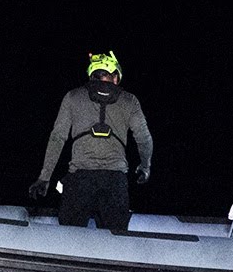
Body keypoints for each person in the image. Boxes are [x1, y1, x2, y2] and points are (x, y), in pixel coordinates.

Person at [29, 51, 153, 230]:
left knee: (70, 237)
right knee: (115, 240)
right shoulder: (129, 101)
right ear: (115, 77)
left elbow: (57, 138)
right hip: (115, 181)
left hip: (79, 180)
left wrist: (44, 177)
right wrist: (145, 167)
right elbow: (144, 139)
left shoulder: (72, 96)